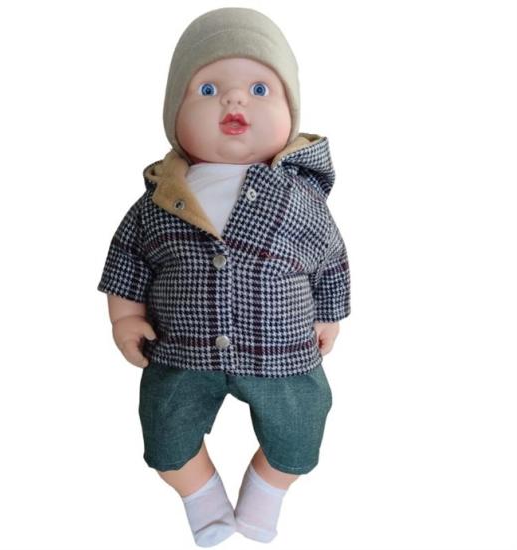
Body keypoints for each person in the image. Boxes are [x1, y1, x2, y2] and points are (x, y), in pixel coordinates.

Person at [97, 7, 351, 547]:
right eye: (208, 90)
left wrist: (329, 315)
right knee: (165, 442)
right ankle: (203, 500)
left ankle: (266, 493)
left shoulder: (300, 196)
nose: (234, 101)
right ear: (174, 115)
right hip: (180, 351)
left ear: (290, 114)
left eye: (260, 90)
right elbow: (128, 259)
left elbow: (330, 258)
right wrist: (125, 318)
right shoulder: (160, 199)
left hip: (282, 349)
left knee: (300, 436)